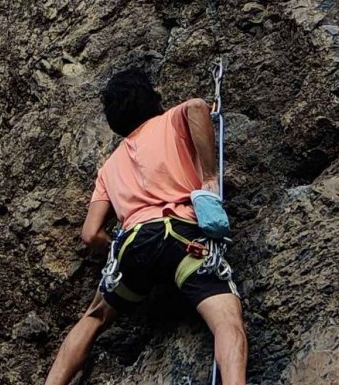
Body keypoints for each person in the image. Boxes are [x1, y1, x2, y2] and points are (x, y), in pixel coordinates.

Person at [43, 67, 247, 385]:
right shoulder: (168, 122)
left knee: (94, 317)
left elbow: (90, 234)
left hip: (133, 245)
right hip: (182, 234)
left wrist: (122, 248)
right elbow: (196, 107)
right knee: (227, 322)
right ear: (153, 98)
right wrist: (208, 177)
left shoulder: (109, 167)